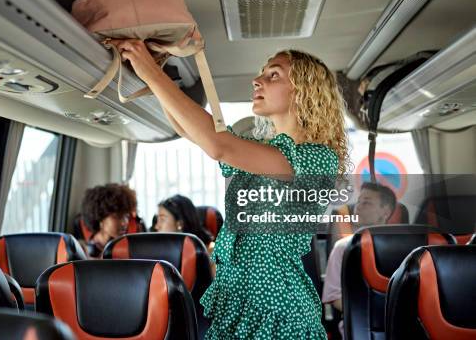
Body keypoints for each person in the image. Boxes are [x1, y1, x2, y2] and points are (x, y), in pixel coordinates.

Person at [109, 39, 348, 340]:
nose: (257, 80)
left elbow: (217, 145)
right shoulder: (261, 151)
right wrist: (153, 74)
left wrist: (152, 74)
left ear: (304, 92)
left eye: (273, 74)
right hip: (237, 298)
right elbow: (188, 128)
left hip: (276, 309)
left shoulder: (316, 157)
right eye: (262, 73)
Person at [321, 182, 397, 338]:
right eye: (359, 201)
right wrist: (375, 311)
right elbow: (334, 297)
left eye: (367, 202)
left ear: (386, 211)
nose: (359, 206)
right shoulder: (343, 247)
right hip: (361, 326)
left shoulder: (406, 245)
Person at [80, 183, 134, 258]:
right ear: (100, 217)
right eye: (118, 217)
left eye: (126, 216)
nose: (124, 223)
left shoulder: (125, 251)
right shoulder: (83, 253)